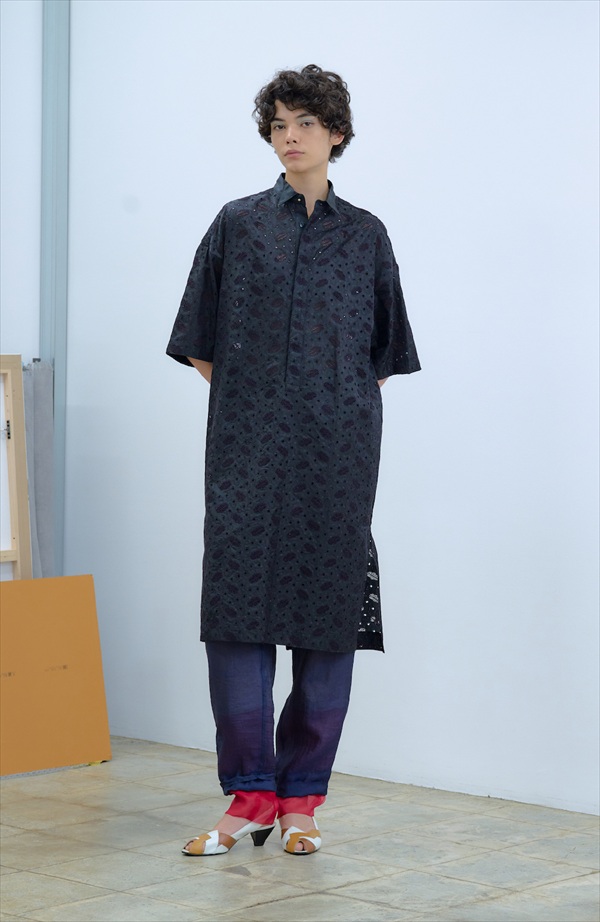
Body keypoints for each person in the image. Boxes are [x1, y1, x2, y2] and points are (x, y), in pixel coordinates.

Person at [166, 64, 420, 856]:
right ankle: (250, 798)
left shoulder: (366, 235)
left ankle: (302, 802)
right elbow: (198, 340)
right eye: (278, 124)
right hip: (245, 453)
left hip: (337, 458)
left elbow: (384, 354)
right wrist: (259, 402)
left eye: (305, 122)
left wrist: (327, 404)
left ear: (335, 133)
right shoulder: (237, 225)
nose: (289, 136)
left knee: (326, 624)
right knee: (236, 620)